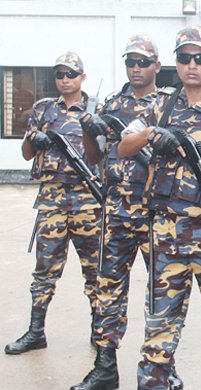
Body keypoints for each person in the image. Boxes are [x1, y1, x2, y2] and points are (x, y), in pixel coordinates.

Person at [118, 25, 201, 389]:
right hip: (166, 237)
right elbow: (123, 147)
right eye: (184, 57)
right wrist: (152, 135)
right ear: (175, 63)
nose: (192, 64)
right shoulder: (159, 107)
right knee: (159, 331)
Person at [71, 34, 188, 390]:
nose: (135, 68)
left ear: (157, 66)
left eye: (143, 62)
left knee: (163, 292)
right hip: (116, 211)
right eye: (130, 62)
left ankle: (163, 365)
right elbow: (94, 157)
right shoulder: (111, 104)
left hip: (157, 213)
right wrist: (88, 131)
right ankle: (106, 365)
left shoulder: (172, 104)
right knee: (108, 288)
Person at [6, 52, 101, 356]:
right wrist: (34, 138)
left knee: (95, 271)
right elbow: (25, 154)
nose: (64, 80)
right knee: (45, 271)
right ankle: (36, 332)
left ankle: (99, 332)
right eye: (59, 74)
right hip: (52, 201)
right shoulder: (43, 110)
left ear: (82, 77)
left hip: (88, 202)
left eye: (70, 74)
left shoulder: (96, 109)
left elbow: (107, 152)